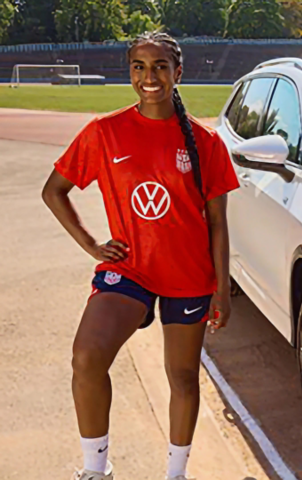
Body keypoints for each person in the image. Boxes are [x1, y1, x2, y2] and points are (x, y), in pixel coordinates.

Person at [41, 31, 240, 480]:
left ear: (178, 73)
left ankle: (176, 474)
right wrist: (91, 244)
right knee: (87, 357)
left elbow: (218, 224)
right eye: (139, 66)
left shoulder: (205, 145)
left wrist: (222, 290)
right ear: (129, 71)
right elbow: (55, 191)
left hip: (189, 276)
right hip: (130, 268)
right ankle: (96, 469)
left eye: (160, 66)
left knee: (183, 378)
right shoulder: (104, 132)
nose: (149, 77)